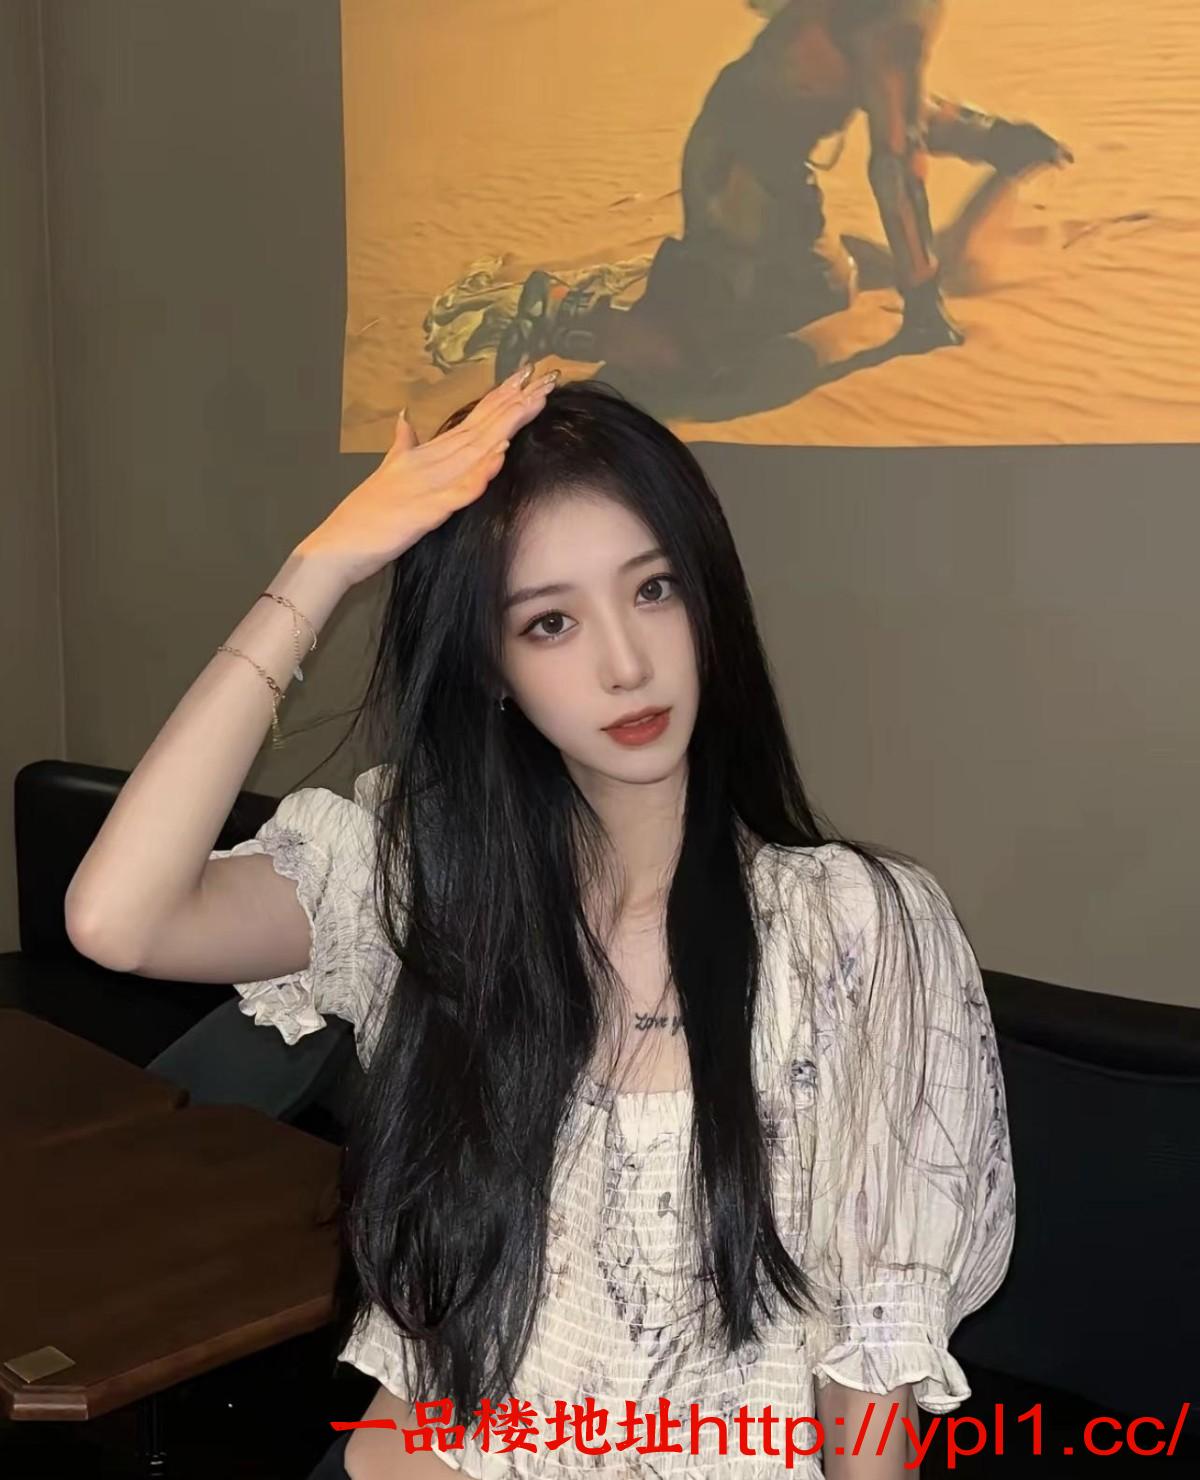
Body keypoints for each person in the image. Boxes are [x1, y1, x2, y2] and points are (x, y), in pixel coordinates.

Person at [67, 368, 1015, 1478]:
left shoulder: (855, 927)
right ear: (494, 668)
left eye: (653, 589)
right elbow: (119, 919)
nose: (625, 663)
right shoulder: (422, 876)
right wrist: (319, 569)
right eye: (551, 621)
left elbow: (872, 1371)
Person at [495, 0, 1072, 385]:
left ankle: (683, 297)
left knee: (823, 288)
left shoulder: (891, 14)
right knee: (706, 353)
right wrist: (922, 301)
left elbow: (895, 103)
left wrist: (991, 138)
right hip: (745, 164)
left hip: (751, 152)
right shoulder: (895, 12)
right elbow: (894, 162)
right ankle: (569, 317)